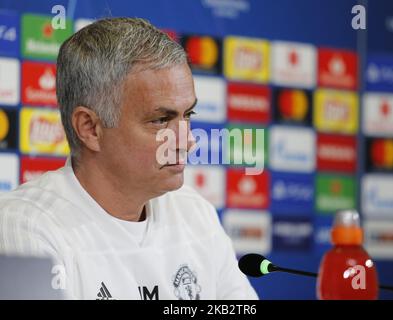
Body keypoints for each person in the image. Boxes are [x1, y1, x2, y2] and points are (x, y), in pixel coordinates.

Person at [0, 17, 258, 300]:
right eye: (161, 120)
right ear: (90, 128)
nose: (188, 141)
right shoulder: (25, 227)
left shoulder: (196, 213)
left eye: (188, 115)